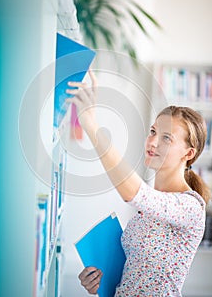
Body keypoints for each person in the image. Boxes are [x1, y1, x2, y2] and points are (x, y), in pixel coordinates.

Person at [66, 69, 211, 296]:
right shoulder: (149, 211)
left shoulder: (191, 207)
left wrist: (92, 128)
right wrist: (99, 282)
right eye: (153, 131)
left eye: (166, 138)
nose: (152, 142)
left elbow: (134, 193)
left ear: (189, 153)